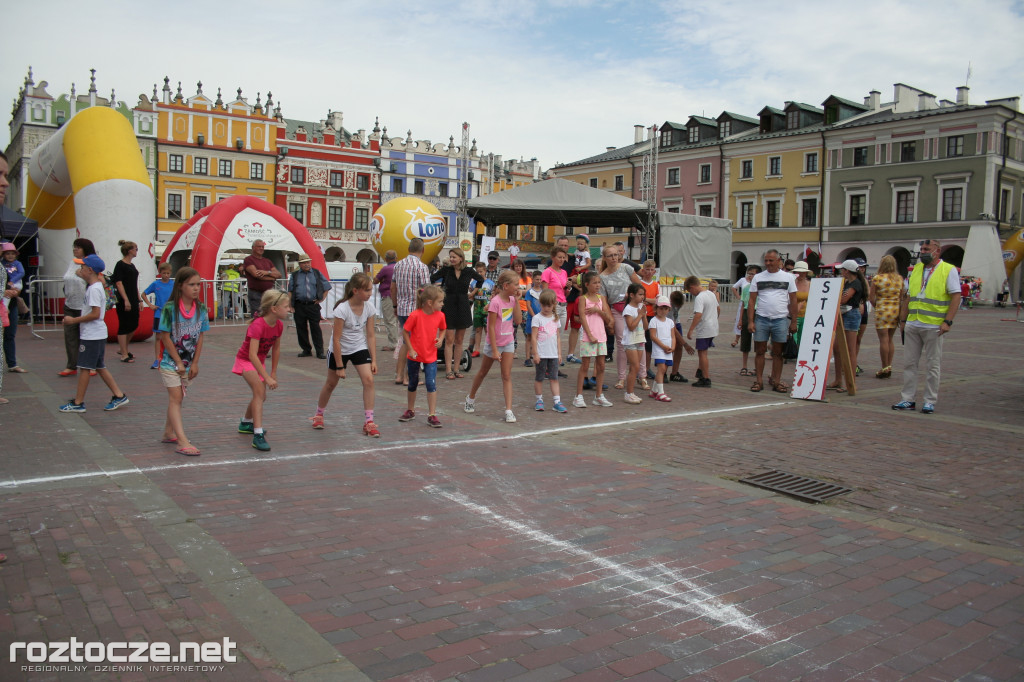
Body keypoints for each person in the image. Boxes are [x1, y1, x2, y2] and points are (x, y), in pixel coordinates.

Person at [893, 239, 960, 414]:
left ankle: (929, 400)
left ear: (937, 251)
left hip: (934, 325)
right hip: (913, 322)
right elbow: (908, 296)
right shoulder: (916, 269)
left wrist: (948, 321)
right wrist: (902, 320)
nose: (922, 252)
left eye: (926, 249)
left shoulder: (948, 270)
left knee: (933, 365)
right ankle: (908, 398)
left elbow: (956, 296)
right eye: (921, 249)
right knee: (909, 363)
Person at [58, 254, 130, 413]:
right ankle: (118, 395)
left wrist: (73, 320)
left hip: (92, 334)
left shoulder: (94, 290)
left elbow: (95, 314)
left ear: (89, 270)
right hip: (94, 333)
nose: (80, 270)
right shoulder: (95, 287)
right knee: (99, 366)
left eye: (82, 267)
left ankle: (78, 402)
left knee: (84, 367)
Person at [313, 273, 378, 436]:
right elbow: (336, 339)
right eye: (367, 290)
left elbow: (370, 335)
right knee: (331, 384)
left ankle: (369, 421)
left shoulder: (369, 307)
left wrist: (374, 360)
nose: (370, 293)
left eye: (371, 289)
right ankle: (319, 414)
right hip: (339, 349)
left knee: (369, 380)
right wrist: (340, 366)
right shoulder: (342, 309)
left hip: (358, 347)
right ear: (355, 291)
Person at [156, 267, 208, 456]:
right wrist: (178, 361)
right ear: (181, 286)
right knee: (176, 398)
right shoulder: (170, 309)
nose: (196, 289)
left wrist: (194, 363)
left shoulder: (201, 309)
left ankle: (169, 432)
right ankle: (182, 441)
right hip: (171, 363)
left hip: (188, 363)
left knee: (179, 397)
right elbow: (165, 337)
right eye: (191, 285)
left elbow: (200, 337)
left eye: (198, 285)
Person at [234, 290, 290, 451]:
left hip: (259, 362)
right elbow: (251, 355)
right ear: (274, 308)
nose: (289, 309)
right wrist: (266, 376)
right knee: (259, 392)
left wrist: (273, 372)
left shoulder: (278, 325)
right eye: (286, 306)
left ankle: (246, 423)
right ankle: (257, 435)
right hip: (246, 360)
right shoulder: (257, 325)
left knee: (261, 396)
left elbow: (277, 349)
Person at [464, 270, 522, 422]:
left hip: (508, 341)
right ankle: (470, 398)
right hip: (494, 344)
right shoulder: (495, 302)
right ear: (506, 285)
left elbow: (518, 320)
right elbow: (490, 327)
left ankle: (509, 410)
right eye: (515, 284)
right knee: (483, 372)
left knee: (507, 376)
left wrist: (516, 301)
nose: (518, 287)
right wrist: (495, 350)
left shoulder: (511, 300)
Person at [747, 249, 797, 393]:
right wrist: (751, 321)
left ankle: (776, 381)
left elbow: (793, 300)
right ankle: (759, 381)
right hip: (762, 318)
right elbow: (752, 301)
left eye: (771, 260)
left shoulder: (788, 277)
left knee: (778, 352)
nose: (768, 263)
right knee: (760, 351)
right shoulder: (758, 277)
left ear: (778, 261)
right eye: (766, 261)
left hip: (780, 319)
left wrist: (793, 321)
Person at [431, 248, 483, 379]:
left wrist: (472, 293)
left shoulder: (468, 271)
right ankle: (448, 370)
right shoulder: (446, 270)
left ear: (461, 258)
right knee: (449, 339)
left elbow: (480, 280)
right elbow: (432, 278)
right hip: (448, 305)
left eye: (454, 257)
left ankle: (456, 369)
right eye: (450, 257)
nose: (452, 259)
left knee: (459, 340)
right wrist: (439, 292)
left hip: (463, 305)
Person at [400, 284, 447, 427]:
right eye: (440, 301)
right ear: (430, 303)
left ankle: (432, 414)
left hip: (430, 356)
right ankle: (410, 409)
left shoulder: (440, 315)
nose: (442, 304)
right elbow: (405, 332)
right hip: (414, 356)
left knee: (431, 384)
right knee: (413, 382)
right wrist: (411, 349)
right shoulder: (415, 315)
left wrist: (441, 339)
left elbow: (443, 329)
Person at [599, 244, 644, 390]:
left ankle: (642, 376)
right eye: (610, 255)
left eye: (616, 254)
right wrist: (609, 318)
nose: (614, 258)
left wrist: (632, 296)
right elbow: (604, 300)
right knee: (621, 343)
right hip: (617, 310)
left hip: (632, 308)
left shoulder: (626, 268)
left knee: (639, 341)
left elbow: (639, 286)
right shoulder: (602, 277)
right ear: (604, 258)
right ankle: (621, 378)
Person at [392, 239, 431, 385]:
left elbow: (392, 287)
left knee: (404, 341)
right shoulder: (422, 267)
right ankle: (409, 377)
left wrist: (395, 305)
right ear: (423, 250)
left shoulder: (398, 265)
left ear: (408, 249)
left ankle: (399, 375)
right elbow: (426, 290)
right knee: (413, 343)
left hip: (401, 308)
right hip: (415, 310)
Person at [572, 271, 614, 408]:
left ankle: (599, 395)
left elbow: (608, 317)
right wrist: (589, 334)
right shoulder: (583, 299)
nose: (597, 285)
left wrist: (598, 311)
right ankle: (578, 396)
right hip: (588, 336)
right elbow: (582, 318)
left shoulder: (601, 298)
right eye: (594, 282)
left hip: (601, 335)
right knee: (585, 365)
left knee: (601, 365)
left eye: (599, 282)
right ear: (587, 284)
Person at [828, 260, 867, 393]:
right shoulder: (847, 282)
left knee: (850, 350)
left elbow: (844, 298)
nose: (841, 272)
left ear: (847, 270)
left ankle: (851, 383)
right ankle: (838, 379)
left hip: (850, 314)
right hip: (843, 314)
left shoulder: (855, 283)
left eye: (843, 269)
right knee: (837, 348)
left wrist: (835, 297)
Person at [530, 289, 567, 413]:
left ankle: (557, 401)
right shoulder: (537, 318)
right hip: (541, 354)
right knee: (539, 377)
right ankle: (539, 400)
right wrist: (535, 353)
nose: (546, 308)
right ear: (540, 304)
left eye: (549, 305)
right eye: (544, 305)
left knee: (554, 377)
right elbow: (534, 338)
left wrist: (560, 353)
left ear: (554, 304)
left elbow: (557, 337)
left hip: (553, 354)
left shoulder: (555, 319)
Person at [288, 254, 330, 359]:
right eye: (304, 263)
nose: (307, 264)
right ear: (300, 264)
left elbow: (327, 287)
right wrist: (290, 305)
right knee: (301, 328)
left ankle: (319, 351)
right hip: (299, 305)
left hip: (313, 305)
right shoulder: (295, 275)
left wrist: (322, 298)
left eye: (308, 262)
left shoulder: (316, 273)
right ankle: (306, 350)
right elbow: (290, 291)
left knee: (315, 328)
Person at [110, 240, 144, 362]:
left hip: (133, 298)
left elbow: (134, 284)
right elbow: (119, 283)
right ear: (130, 250)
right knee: (124, 324)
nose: (136, 251)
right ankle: (124, 353)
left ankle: (123, 348)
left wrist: (139, 299)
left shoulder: (132, 266)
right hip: (123, 299)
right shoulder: (120, 265)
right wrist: (125, 299)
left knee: (134, 323)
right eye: (135, 249)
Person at [870, 255, 904, 379]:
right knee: (890, 339)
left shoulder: (877, 278)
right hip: (895, 310)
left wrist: (877, 305)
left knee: (883, 339)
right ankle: (889, 365)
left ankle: (884, 367)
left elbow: (871, 297)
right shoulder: (899, 278)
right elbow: (901, 297)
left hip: (882, 310)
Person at [685, 276, 720, 388]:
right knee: (704, 351)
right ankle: (701, 371)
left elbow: (698, 314)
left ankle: (706, 378)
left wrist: (691, 329)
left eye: (690, 291)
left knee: (702, 353)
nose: (691, 293)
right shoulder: (711, 294)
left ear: (692, 287)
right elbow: (718, 309)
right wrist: (714, 319)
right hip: (713, 326)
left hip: (704, 328)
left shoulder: (700, 297)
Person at [144, 262, 175, 369]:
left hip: (170, 313)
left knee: (171, 336)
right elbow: (143, 294)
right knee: (158, 337)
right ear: (160, 273)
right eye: (164, 273)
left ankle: (170, 357)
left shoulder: (173, 284)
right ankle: (157, 358)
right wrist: (150, 305)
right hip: (159, 313)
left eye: (168, 273)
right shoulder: (156, 284)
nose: (166, 275)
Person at [2, 241, 27, 373]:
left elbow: (21, 274)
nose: (10, 256)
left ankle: (12, 364)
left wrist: (13, 289)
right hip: (4, 299)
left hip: (11, 301)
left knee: (10, 334)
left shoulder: (17, 265)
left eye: (12, 253)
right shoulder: (1, 265)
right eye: (7, 253)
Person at [620, 283, 647, 404]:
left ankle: (631, 393)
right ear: (632, 295)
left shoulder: (640, 307)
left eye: (643, 294)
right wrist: (640, 314)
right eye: (640, 294)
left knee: (635, 367)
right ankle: (628, 393)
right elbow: (631, 327)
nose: (642, 297)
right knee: (635, 366)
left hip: (640, 339)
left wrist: (644, 315)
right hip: (630, 340)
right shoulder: (628, 309)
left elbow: (646, 327)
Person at [242, 239, 281, 318]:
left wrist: (267, 272)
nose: (261, 248)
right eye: (259, 246)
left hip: (269, 294)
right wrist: (272, 278)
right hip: (256, 294)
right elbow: (256, 275)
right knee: (257, 317)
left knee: (269, 316)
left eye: (262, 246)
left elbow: (279, 275)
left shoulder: (268, 261)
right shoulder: (248, 260)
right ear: (253, 247)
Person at [648, 295, 675, 402]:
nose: (663, 311)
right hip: (659, 349)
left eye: (665, 308)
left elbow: (673, 336)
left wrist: (672, 347)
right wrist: (663, 346)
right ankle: (660, 392)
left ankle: (654, 390)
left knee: (664, 369)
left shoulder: (670, 322)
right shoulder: (654, 321)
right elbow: (653, 336)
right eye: (661, 308)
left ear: (669, 309)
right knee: (661, 369)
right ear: (656, 308)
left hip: (668, 349)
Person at [736, 265, 760, 377]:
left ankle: (757, 367)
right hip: (746, 312)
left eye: (752, 274)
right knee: (745, 341)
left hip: (758, 313)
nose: (750, 276)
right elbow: (743, 304)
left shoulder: (762, 288)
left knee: (759, 342)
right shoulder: (746, 288)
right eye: (749, 273)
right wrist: (740, 320)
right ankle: (744, 366)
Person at [373, 250, 399, 350]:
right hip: (399, 296)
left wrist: (382, 281)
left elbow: (375, 280)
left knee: (389, 320)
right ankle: (398, 342)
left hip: (388, 295)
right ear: (396, 258)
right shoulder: (399, 267)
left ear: (386, 259)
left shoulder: (385, 269)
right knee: (397, 321)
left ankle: (393, 344)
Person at [467, 261, 494, 357]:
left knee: (488, 330)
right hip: (477, 309)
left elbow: (493, 295)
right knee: (478, 330)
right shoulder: (473, 283)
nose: (479, 274)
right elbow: (471, 294)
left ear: (485, 271)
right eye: (477, 272)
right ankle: (477, 349)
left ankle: (490, 348)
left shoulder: (490, 283)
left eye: (481, 272)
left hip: (487, 310)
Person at [638, 260, 659, 380]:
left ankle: (646, 368)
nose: (649, 272)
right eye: (647, 269)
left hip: (652, 316)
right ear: (643, 270)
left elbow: (657, 300)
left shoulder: (656, 285)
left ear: (654, 271)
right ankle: (639, 368)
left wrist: (647, 299)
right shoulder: (639, 283)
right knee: (639, 342)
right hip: (640, 315)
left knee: (649, 344)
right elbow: (639, 299)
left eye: (651, 270)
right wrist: (649, 300)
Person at [668, 289, 695, 381]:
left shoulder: (682, 297)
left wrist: (682, 344)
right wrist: (685, 344)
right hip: (668, 324)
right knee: (670, 347)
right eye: (676, 305)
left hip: (677, 322)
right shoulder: (669, 308)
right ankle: (663, 372)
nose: (678, 307)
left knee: (679, 347)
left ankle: (674, 373)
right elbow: (673, 328)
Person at [510, 258, 531, 357]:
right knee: (512, 330)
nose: (518, 268)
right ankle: (513, 350)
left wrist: (518, 292)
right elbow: (509, 291)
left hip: (524, 307)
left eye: (520, 266)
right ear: (513, 268)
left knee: (527, 330)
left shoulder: (527, 279)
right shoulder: (510, 279)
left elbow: (529, 291)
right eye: (516, 266)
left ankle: (530, 350)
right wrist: (521, 292)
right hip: (512, 307)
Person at [523, 270, 544, 367]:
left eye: (540, 279)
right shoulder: (530, 292)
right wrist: (535, 316)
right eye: (537, 279)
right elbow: (528, 305)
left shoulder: (543, 292)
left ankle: (538, 355)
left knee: (540, 337)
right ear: (533, 280)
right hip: (532, 318)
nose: (539, 281)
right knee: (529, 337)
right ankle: (527, 358)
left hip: (542, 318)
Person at [791, 261, 813, 347]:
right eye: (798, 272)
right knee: (794, 337)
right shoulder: (792, 284)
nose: (800, 274)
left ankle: (800, 357)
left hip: (806, 315)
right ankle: (793, 353)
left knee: (803, 338)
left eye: (803, 272)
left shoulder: (811, 284)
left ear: (806, 273)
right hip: (794, 315)